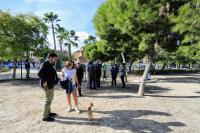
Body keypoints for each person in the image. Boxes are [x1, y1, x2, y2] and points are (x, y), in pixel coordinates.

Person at [38, 53, 59, 122]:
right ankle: (45, 116)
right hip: (47, 85)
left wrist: (56, 80)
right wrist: (44, 81)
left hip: (51, 84)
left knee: (50, 98)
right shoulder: (45, 63)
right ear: (50, 57)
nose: (55, 60)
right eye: (55, 59)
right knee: (48, 100)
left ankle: (48, 113)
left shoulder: (50, 64)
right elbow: (40, 73)